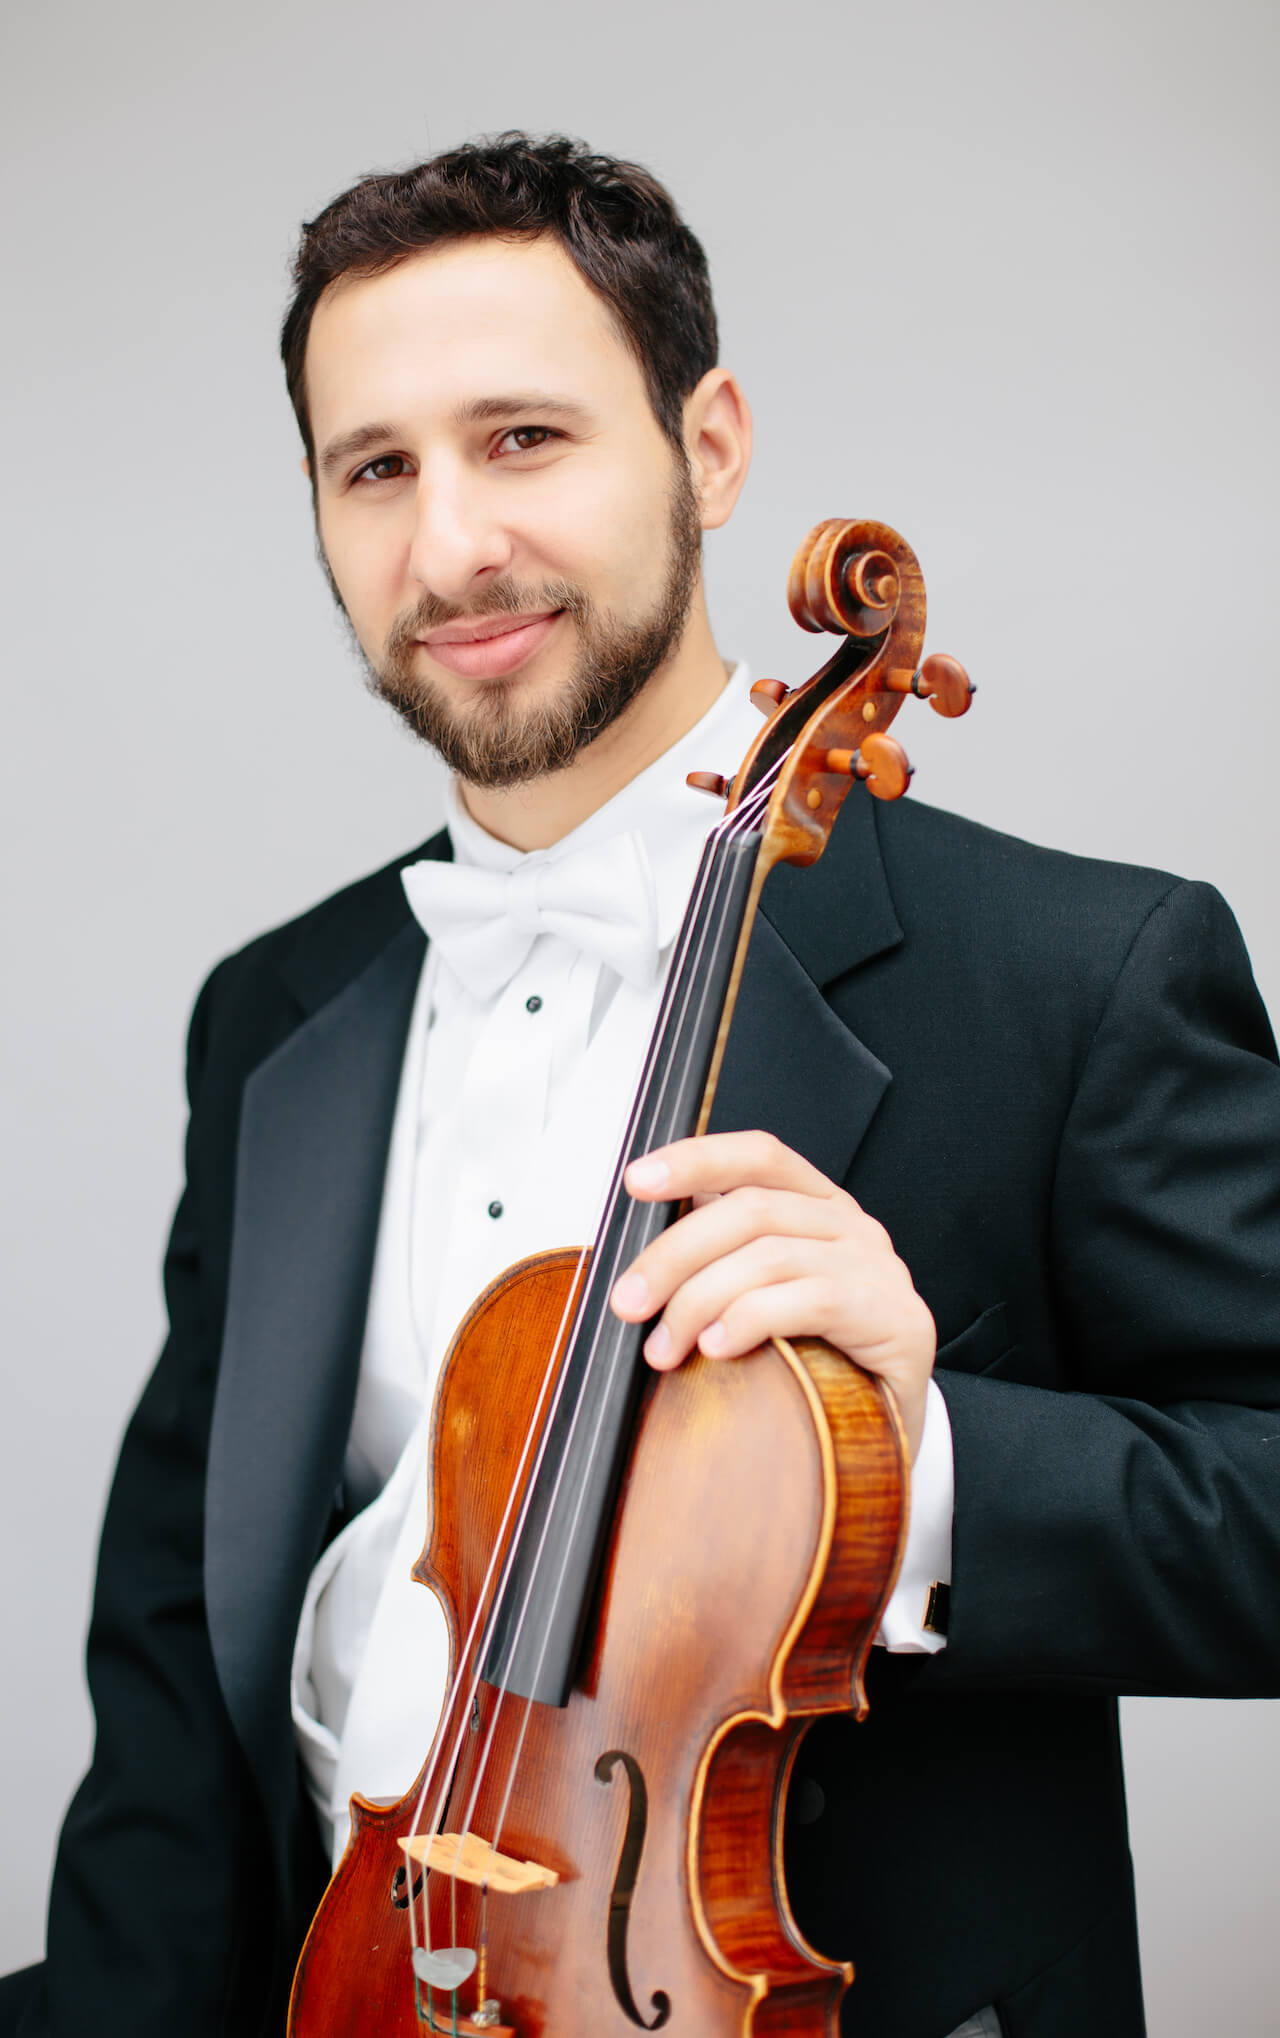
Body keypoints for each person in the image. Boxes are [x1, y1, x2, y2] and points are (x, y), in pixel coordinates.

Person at [4, 133, 1278, 2038]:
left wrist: (899, 1472)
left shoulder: (1078, 975)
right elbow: (183, 1673)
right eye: (379, 469)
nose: (449, 546)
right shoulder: (276, 1014)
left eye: (524, 438)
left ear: (709, 444)